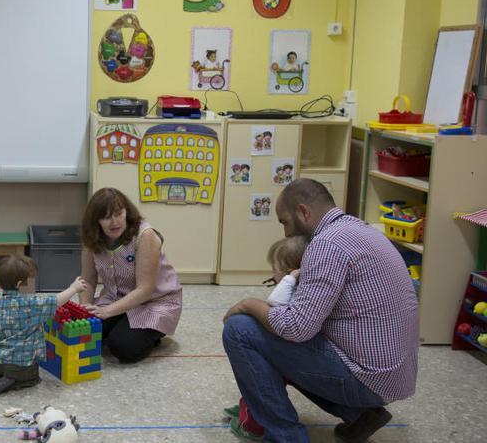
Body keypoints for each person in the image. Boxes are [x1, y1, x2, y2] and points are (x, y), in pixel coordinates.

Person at [222, 179, 419, 442]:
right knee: (277, 339)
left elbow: (296, 328)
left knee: (240, 329)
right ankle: (359, 415)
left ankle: (287, 436)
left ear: (304, 212)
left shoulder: (326, 245)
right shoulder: (359, 229)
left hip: (369, 379)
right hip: (392, 377)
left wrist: (248, 304)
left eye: (284, 222)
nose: (285, 233)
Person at [79, 187, 182, 363]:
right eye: (106, 217)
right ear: (96, 221)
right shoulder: (92, 238)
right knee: (85, 331)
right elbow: (87, 280)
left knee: (122, 347)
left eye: (119, 214)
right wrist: (84, 312)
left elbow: (145, 290)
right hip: (116, 299)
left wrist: (106, 311)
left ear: (127, 212)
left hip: (154, 303)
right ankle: (120, 324)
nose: (114, 222)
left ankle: (154, 334)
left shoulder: (144, 235)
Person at [0, 255, 88, 397]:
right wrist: (73, 288)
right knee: (33, 376)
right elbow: (57, 301)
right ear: (19, 285)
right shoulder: (31, 304)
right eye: (31, 282)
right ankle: (13, 381)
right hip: (21, 366)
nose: (34, 286)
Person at [225, 236, 308, 440]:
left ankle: (251, 424)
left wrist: (288, 279)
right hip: (294, 348)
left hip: (287, 349)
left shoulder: (292, 287)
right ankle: (250, 408)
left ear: (289, 270)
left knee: (259, 378)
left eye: (275, 269)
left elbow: (274, 301)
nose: (272, 273)